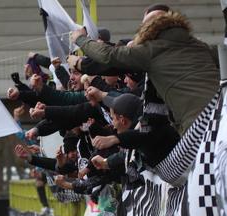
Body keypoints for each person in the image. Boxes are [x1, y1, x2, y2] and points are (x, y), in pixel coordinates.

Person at [71, 5, 220, 134]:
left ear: (149, 28)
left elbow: (109, 56)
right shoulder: (200, 46)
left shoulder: (151, 50)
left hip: (200, 125)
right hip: (222, 111)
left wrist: (81, 40)